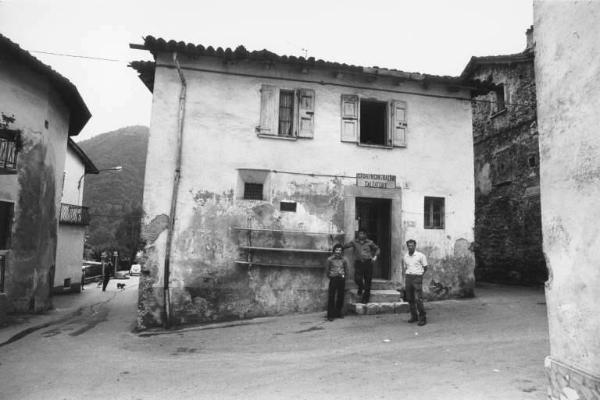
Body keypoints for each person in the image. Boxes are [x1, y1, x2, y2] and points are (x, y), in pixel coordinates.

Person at [343, 229, 380, 303]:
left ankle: (366, 298)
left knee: (368, 281)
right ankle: (360, 286)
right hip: (359, 263)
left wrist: (375, 256)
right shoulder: (354, 242)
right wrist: (338, 247)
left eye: (363, 233)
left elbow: (377, 249)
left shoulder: (370, 242)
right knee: (357, 278)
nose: (361, 235)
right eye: (360, 233)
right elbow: (346, 246)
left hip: (368, 263)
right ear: (358, 234)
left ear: (366, 235)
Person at [402, 239, 428, 326]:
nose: (410, 247)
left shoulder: (420, 256)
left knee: (418, 299)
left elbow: (425, 267)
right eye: (409, 246)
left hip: (417, 277)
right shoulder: (405, 256)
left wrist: (419, 275)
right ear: (407, 246)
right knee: (410, 298)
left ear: (415, 246)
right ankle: (414, 316)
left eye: (412, 245)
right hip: (408, 277)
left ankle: (423, 318)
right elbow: (405, 268)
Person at [326, 243, 348, 321]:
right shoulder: (330, 259)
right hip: (333, 279)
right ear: (334, 251)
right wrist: (332, 276)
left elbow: (346, 270)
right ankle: (330, 315)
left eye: (340, 250)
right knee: (331, 296)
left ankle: (338, 313)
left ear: (342, 252)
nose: (338, 252)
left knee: (340, 296)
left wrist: (344, 277)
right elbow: (327, 271)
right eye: (336, 250)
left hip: (341, 279)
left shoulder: (344, 260)